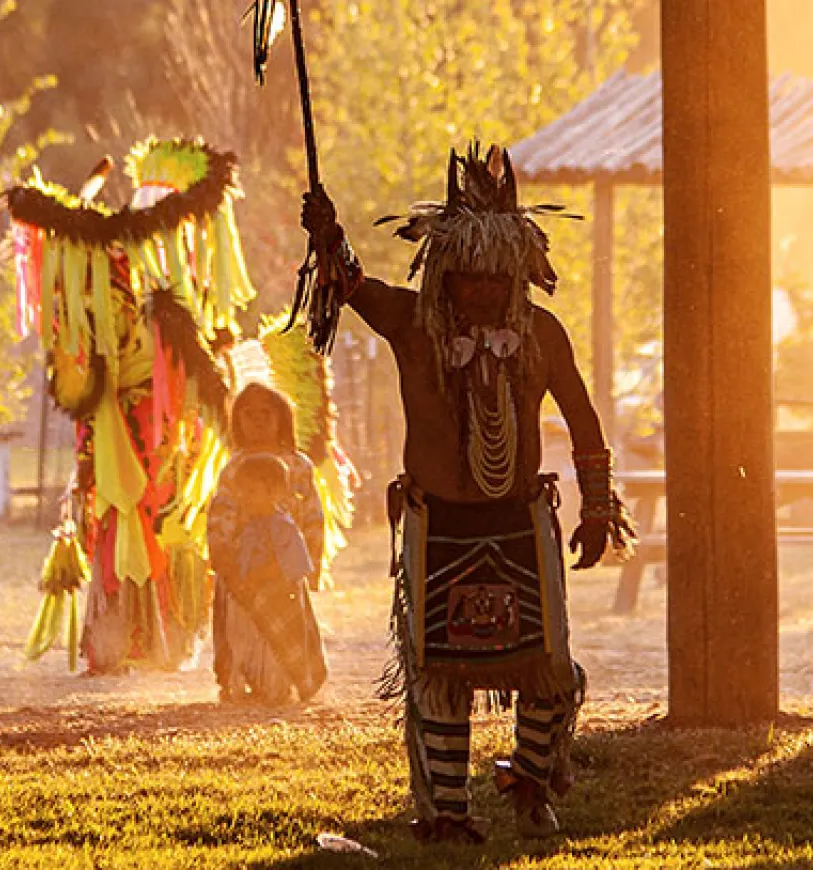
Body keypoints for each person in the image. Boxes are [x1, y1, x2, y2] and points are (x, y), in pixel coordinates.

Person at [299, 143, 633, 842]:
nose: (480, 289)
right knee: (441, 679)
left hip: (518, 523)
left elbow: (583, 421)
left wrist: (599, 508)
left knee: (550, 674)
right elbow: (351, 283)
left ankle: (530, 784)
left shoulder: (542, 334)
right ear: (444, 271)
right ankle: (447, 814)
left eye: (494, 275)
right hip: (439, 526)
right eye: (467, 276)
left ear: (516, 271)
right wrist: (328, 237)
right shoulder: (412, 326)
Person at [207, 383, 327, 703]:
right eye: (249, 415)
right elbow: (220, 513)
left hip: (282, 566)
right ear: (237, 421)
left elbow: (313, 516)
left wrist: (308, 562)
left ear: (282, 419)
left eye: (266, 414)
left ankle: (280, 681)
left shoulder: (298, 465)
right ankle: (239, 681)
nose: (258, 422)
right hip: (241, 564)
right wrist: (224, 558)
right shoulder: (234, 466)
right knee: (240, 626)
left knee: (284, 628)